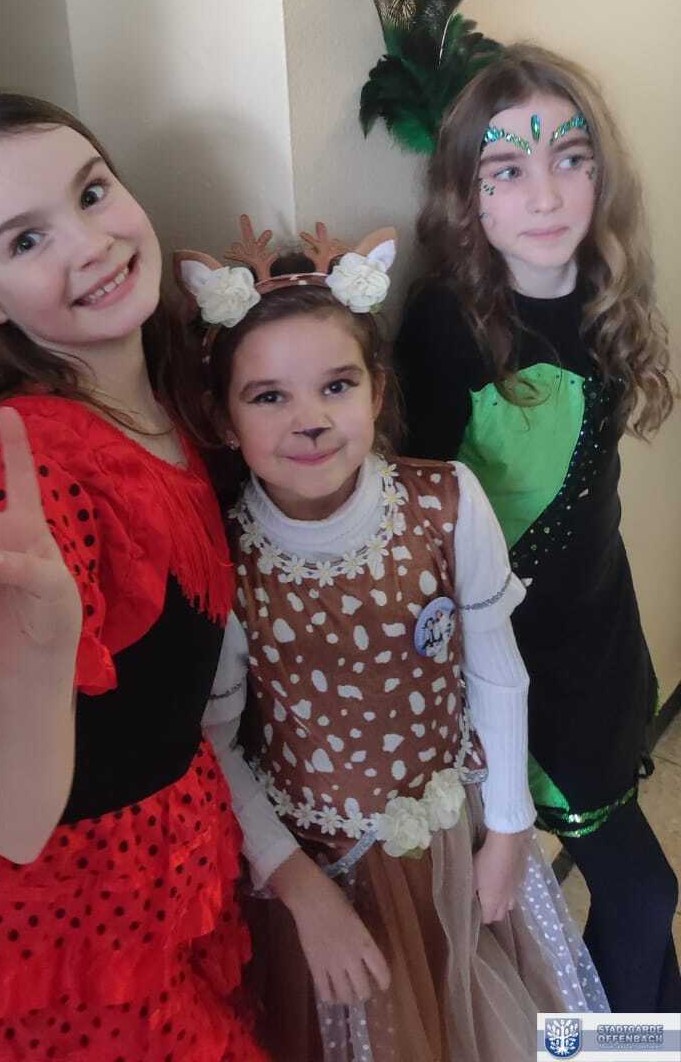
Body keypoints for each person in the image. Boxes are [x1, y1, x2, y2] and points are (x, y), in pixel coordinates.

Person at [176, 216, 606, 1062]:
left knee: (493, 1011)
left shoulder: (447, 500)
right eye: (269, 396)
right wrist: (299, 887)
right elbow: (215, 744)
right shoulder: (223, 556)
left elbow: (496, 671)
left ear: (376, 392)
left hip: (455, 842)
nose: (310, 420)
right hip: (321, 872)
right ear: (224, 418)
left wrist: (509, 830)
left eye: (336, 386)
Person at [0, 92, 268, 1062]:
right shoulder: (26, 458)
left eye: (92, 192)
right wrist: (33, 662)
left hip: (176, 856)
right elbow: (8, 827)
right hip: (74, 930)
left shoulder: (170, 397)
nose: (90, 243)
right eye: (25, 240)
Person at [395, 43, 680, 1013]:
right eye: (509, 170)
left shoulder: (604, 290)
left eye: (570, 158)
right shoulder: (448, 325)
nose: (548, 194)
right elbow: (421, 523)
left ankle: (647, 1036)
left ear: (603, 171)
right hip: (523, 669)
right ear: (466, 196)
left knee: (637, 912)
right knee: (645, 893)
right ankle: (607, 1045)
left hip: (604, 638)